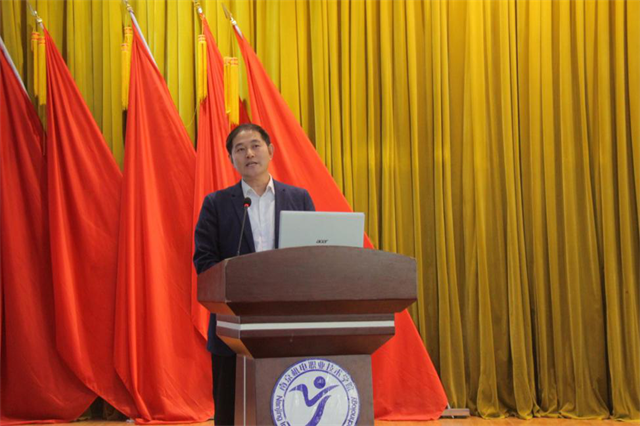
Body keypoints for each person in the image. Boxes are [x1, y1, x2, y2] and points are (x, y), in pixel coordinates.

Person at [193, 123, 315, 426]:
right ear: (231, 159)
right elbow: (204, 261)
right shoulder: (216, 204)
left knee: (288, 408)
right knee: (232, 411)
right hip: (233, 326)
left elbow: (313, 256)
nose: (249, 153)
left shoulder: (298, 198)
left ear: (270, 151)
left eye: (255, 145)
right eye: (240, 149)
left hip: (287, 323)